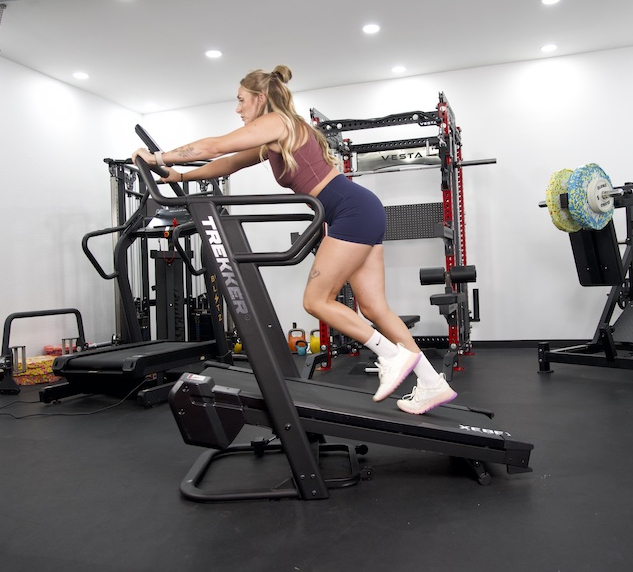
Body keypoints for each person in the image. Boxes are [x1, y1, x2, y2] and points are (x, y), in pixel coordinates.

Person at [131, 65, 457, 415]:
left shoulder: (278, 122)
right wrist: (176, 175)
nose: (238, 108)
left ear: (260, 98)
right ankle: (431, 383)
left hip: (351, 211)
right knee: (375, 308)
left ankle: (391, 355)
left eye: (241, 101)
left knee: (317, 301)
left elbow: (214, 145)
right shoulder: (274, 138)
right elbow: (224, 164)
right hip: (360, 209)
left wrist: (156, 157)